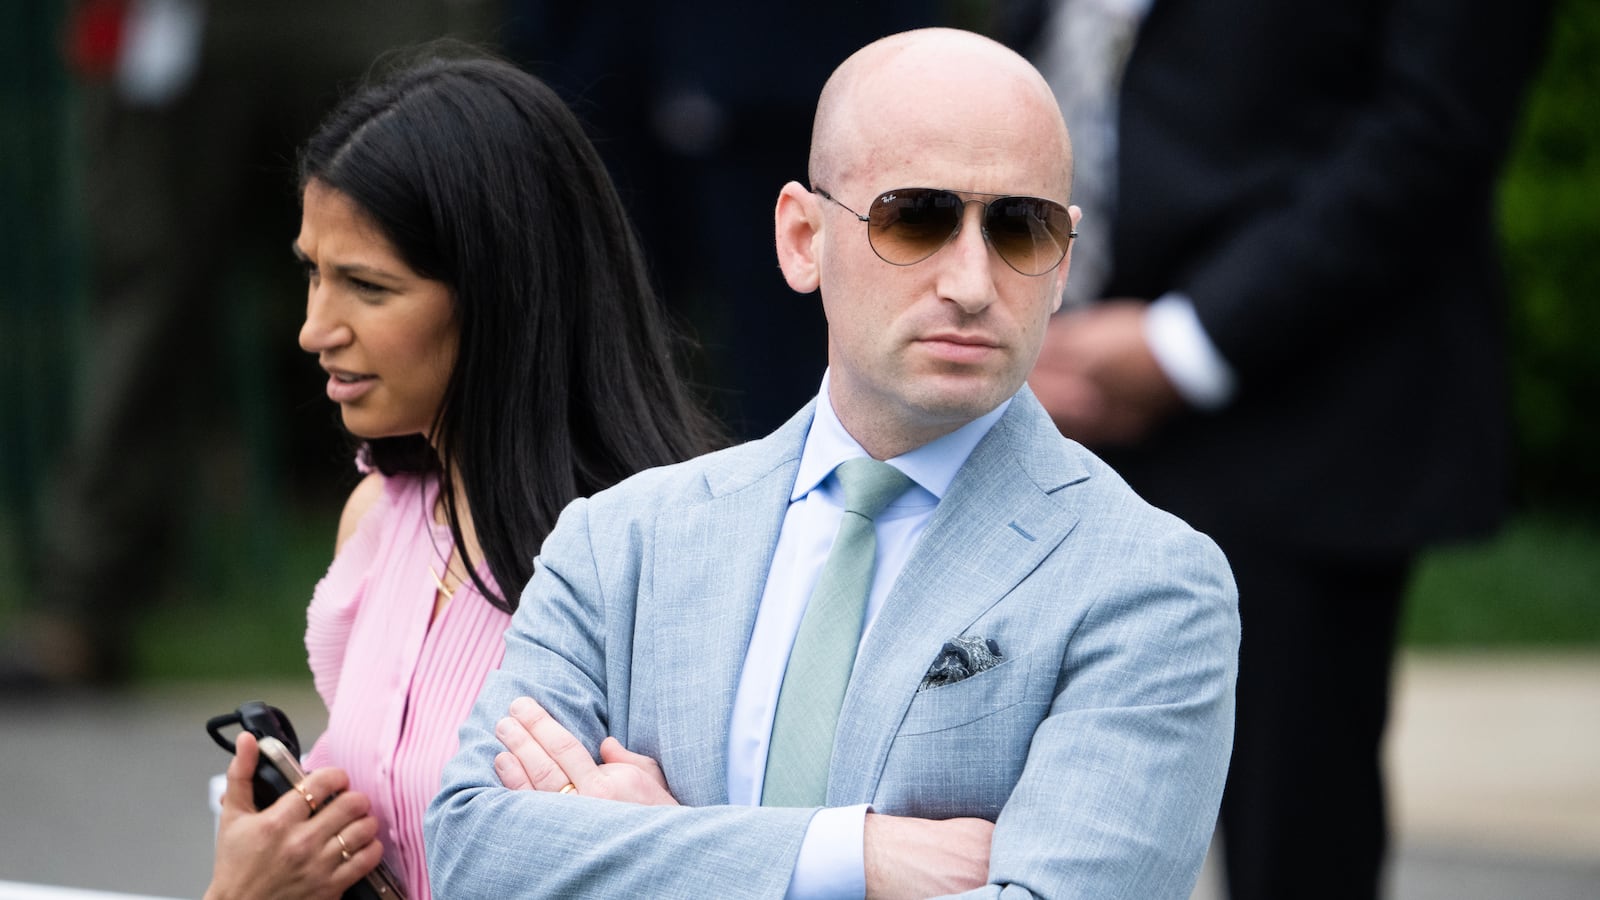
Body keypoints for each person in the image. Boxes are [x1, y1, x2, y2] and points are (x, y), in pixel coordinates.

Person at [427, 28, 1240, 898]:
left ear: (1064, 260)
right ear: (801, 237)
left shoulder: (1149, 584)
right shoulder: (618, 543)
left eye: (1021, 228)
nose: (972, 283)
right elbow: (473, 854)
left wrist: (662, 846)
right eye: (915, 218)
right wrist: (854, 856)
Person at [1025, 1, 1552, 897]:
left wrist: (1188, 343)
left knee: (1295, 837)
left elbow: (1436, 122)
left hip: (1312, 413)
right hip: (1061, 386)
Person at [202, 52, 723, 900]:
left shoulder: (668, 555)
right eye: (312, 272)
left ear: (501, 294)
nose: (314, 328)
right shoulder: (379, 514)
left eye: (367, 286)